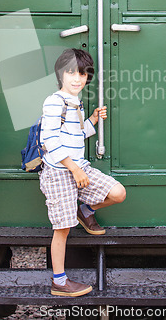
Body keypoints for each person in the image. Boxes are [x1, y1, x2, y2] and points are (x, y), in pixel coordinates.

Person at [39, 48, 126, 297]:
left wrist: (92, 120)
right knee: (62, 228)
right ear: (60, 74)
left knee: (118, 193)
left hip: (79, 168)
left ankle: (85, 210)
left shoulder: (74, 101)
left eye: (82, 74)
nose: (77, 79)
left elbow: (75, 135)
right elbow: (51, 141)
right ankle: (59, 281)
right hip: (59, 172)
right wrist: (74, 168)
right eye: (71, 73)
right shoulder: (54, 101)